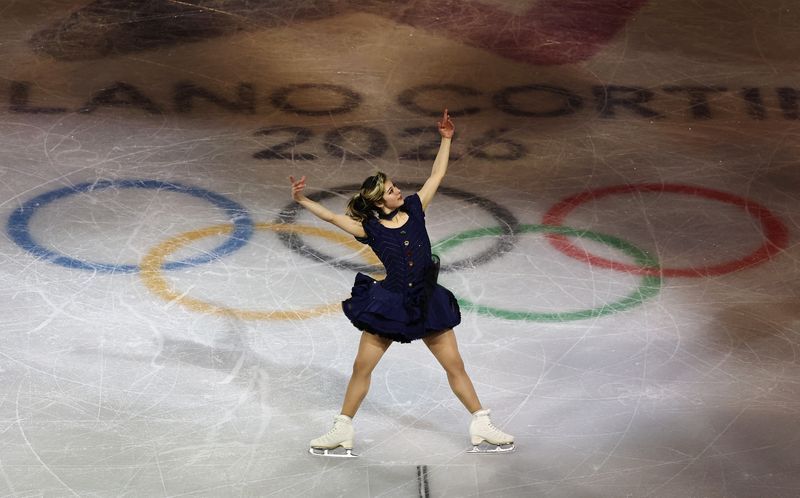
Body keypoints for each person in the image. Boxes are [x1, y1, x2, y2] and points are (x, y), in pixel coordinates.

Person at [289, 109, 514, 456]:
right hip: (390, 305)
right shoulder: (370, 229)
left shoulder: (415, 207)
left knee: (455, 366)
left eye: (395, 188)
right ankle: (342, 429)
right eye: (392, 190)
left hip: (427, 303)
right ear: (380, 202)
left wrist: (446, 139)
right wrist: (302, 200)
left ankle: (481, 423)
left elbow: (436, 174)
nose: (399, 191)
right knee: (361, 368)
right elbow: (332, 217)